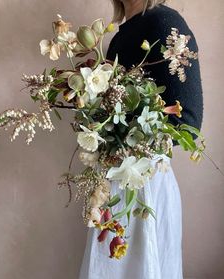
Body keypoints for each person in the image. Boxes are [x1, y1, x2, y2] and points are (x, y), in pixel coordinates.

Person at [78, 1, 203, 278]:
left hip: (146, 184)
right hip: (112, 185)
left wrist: (125, 128)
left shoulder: (165, 22)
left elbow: (189, 123)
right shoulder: (121, 35)